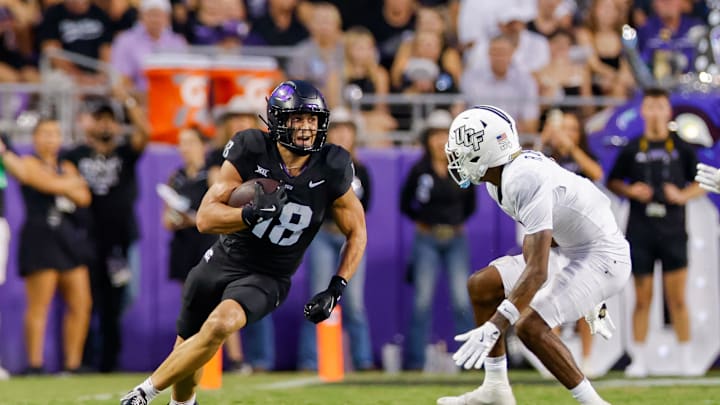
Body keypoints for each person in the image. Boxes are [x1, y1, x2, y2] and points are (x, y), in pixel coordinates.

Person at [120, 80, 367, 405]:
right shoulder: (251, 148)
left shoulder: (332, 165)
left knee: (221, 324)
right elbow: (206, 219)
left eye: (312, 119)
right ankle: (182, 403)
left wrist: (337, 287)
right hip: (224, 258)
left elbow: (357, 230)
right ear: (278, 120)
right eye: (298, 119)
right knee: (189, 344)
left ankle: (142, 393)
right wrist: (249, 215)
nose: (307, 127)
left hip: (269, 275)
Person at [437, 105, 630, 405]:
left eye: (463, 148)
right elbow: (538, 243)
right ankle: (496, 388)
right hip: (572, 252)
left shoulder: (522, 178)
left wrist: (496, 325)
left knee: (529, 326)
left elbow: (538, 271)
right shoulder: (500, 181)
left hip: (603, 258)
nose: (455, 156)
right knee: (482, 285)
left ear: (487, 150)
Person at [607, 87, 704, 377]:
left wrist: (683, 195)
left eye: (661, 106)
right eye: (650, 106)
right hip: (641, 230)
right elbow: (613, 181)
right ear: (643, 111)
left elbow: (701, 181)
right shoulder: (633, 148)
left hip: (673, 230)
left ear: (668, 111)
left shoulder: (683, 148)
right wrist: (631, 190)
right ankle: (640, 359)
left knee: (677, 298)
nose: (656, 112)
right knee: (642, 298)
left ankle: (686, 359)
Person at [63, 88, 150, 373]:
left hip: (119, 241)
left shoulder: (125, 154)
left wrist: (127, 100)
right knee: (87, 302)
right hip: (85, 238)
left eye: (110, 120)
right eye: (99, 119)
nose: (105, 125)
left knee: (116, 303)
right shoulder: (75, 155)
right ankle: (84, 361)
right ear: (89, 123)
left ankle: (109, 363)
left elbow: (144, 133)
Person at [0, 119, 93, 374]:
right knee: (40, 304)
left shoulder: (66, 165)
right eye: (45, 134)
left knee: (81, 303)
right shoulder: (29, 162)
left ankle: (72, 365)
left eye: (55, 134)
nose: (51, 139)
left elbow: (84, 197)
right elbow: (42, 182)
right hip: (40, 238)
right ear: (35, 138)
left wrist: (59, 182)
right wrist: (67, 184)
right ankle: (35, 364)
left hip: (68, 239)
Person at [297, 106, 374, 371]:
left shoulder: (361, 170)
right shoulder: (317, 167)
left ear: (354, 135)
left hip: (349, 238)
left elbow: (366, 211)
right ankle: (309, 360)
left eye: (347, 130)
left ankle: (362, 360)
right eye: (337, 129)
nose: (342, 135)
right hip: (323, 234)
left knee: (354, 303)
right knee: (317, 296)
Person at [400, 109, 476, 370]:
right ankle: (415, 362)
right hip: (428, 238)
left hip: (455, 238)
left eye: (444, 134)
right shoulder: (419, 170)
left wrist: (455, 222)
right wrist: (424, 222)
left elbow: (471, 204)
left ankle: (468, 362)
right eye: (434, 135)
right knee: (422, 301)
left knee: (461, 301)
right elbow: (405, 203)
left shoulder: (462, 168)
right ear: (427, 138)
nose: (439, 140)